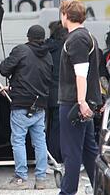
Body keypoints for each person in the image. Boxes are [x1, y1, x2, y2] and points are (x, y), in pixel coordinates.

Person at [0, 25, 52, 190]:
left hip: (22, 103)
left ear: (28, 36)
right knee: (40, 141)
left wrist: (14, 88)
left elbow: (4, 69)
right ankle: (41, 179)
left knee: (18, 140)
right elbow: (37, 78)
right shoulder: (48, 55)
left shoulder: (21, 50)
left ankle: (20, 178)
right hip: (40, 104)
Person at [58, 0, 102, 195]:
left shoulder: (76, 39)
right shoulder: (89, 37)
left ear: (66, 15)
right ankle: (101, 188)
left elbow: (81, 73)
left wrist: (82, 102)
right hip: (84, 103)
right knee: (88, 150)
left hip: (74, 103)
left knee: (72, 152)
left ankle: (67, 192)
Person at [45, 20, 68, 164]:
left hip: (48, 93)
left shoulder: (46, 49)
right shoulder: (65, 49)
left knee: (50, 127)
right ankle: (57, 157)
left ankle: (51, 156)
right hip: (63, 93)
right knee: (59, 128)